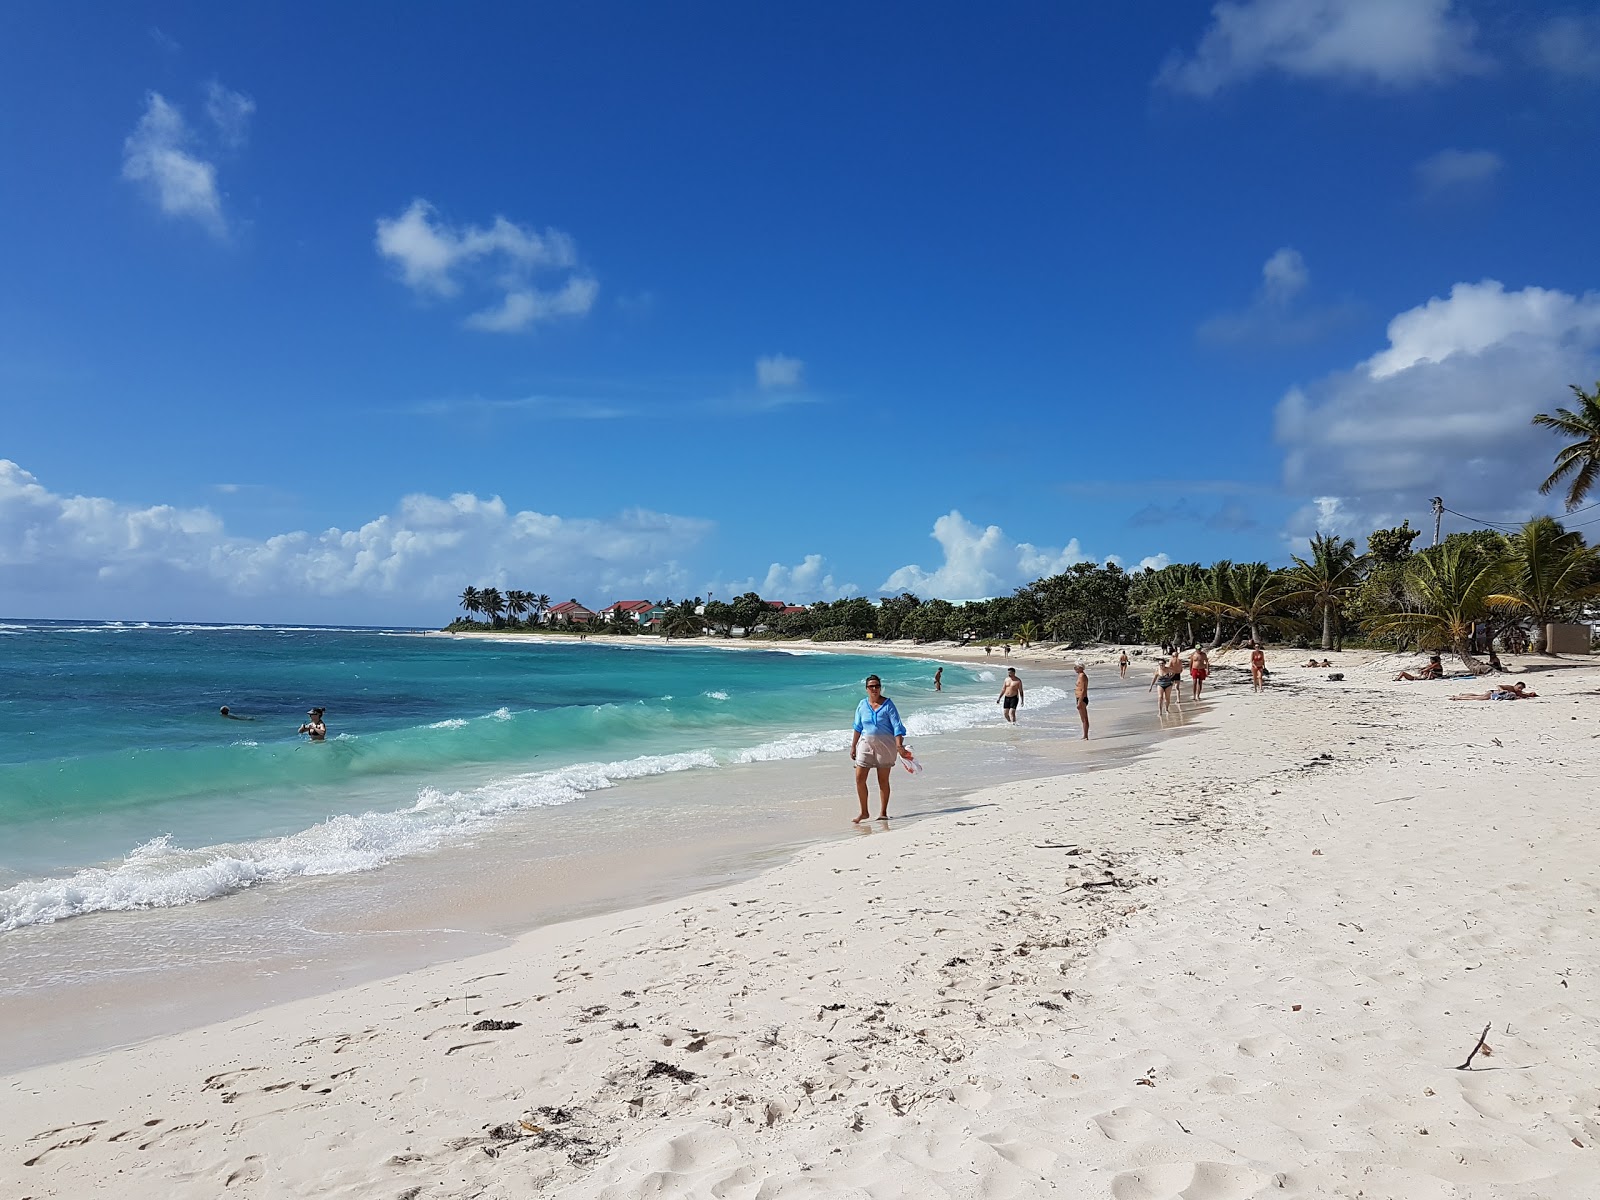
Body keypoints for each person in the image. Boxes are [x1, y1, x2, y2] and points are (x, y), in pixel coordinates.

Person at [849, 675, 910, 823]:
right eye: (871, 687)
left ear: (880, 687)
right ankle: (864, 812)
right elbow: (857, 727)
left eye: (877, 686)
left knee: (882, 780)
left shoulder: (888, 705)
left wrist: (899, 746)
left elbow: (897, 727)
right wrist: (853, 745)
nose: (874, 689)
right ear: (866, 689)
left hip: (886, 745)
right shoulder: (862, 705)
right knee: (859, 778)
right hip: (866, 744)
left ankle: (883, 812)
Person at [1450, 682, 1537, 700]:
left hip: (1492, 693)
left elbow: (1524, 695)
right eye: (1519, 687)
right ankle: (1458, 697)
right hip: (1493, 693)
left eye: (1521, 688)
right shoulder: (1510, 687)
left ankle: (1463, 694)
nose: (1520, 689)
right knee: (1477, 697)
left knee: (1478, 695)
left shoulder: (1518, 692)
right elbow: (1498, 685)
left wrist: (1530, 694)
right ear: (1516, 685)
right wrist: (1503, 691)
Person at [1074, 663, 1090, 739]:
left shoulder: (1082, 676)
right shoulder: (1080, 676)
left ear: (1080, 668)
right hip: (1079, 698)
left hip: (1082, 698)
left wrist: (1080, 701)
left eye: (1076, 667)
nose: (1074, 668)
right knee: (1082, 718)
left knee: (1084, 718)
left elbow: (1083, 690)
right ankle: (1085, 735)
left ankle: (1086, 736)